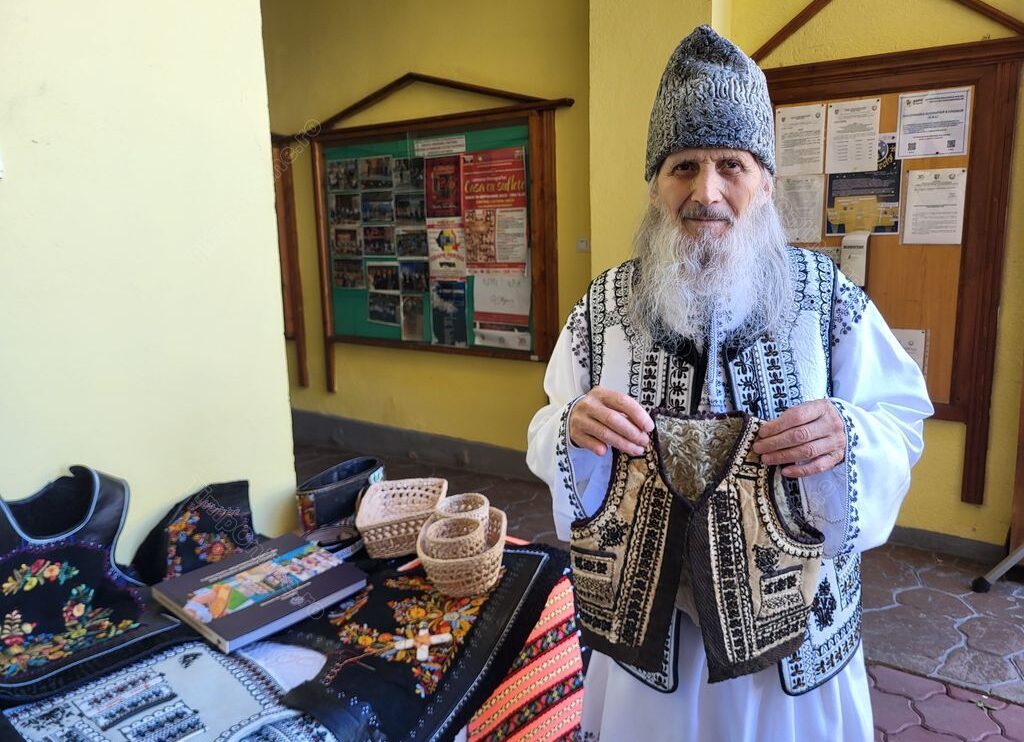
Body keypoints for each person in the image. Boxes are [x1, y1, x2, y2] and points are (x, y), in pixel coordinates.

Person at [526, 25, 933, 742]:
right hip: (651, 653)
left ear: (765, 182)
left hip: (796, 656)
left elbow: (899, 417)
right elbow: (548, 424)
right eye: (683, 166)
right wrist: (572, 430)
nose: (705, 192)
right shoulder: (603, 307)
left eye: (730, 165)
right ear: (655, 184)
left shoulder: (825, 299)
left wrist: (849, 434)